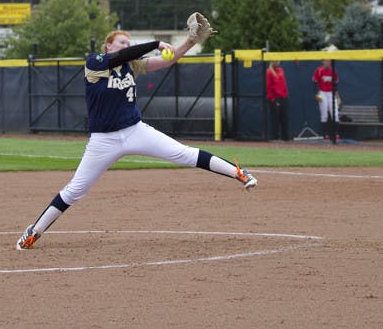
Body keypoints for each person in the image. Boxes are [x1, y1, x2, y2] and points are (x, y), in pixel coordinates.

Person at [16, 17, 257, 250]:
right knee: (75, 190)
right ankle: (34, 231)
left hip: (135, 130)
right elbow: (122, 56)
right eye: (121, 42)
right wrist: (156, 43)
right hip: (103, 140)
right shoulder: (95, 63)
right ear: (108, 45)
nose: (126, 45)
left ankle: (239, 173)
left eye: (128, 42)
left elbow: (167, 61)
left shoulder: (131, 65)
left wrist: (190, 41)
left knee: (184, 153)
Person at [312, 59, 340, 140]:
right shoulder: (319, 70)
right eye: (326, 61)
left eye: (329, 61)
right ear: (323, 62)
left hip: (331, 93)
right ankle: (325, 135)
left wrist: (337, 96)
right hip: (322, 93)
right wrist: (316, 94)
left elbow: (335, 84)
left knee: (335, 114)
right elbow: (315, 83)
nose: (328, 63)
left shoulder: (333, 70)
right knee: (324, 114)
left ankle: (336, 134)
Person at [266, 60, 290, 141]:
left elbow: (284, 83)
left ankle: (285, 137)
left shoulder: (281, 70)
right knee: (275, 118)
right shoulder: (269, 72)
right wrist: (272, 99)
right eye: (275, 61)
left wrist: (286, 95)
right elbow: (268, 86)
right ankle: (275, 137)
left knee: (284, 118)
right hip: (275, 98)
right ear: (272, 61)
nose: (277, 62)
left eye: (278, 61)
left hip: (284, 97)